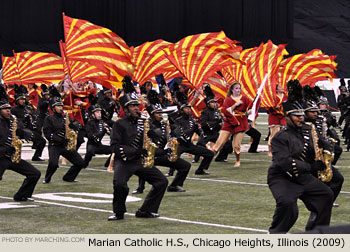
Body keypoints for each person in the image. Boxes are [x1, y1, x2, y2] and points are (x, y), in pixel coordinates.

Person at [268, 79, 334, 234]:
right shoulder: (280, 137)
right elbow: (286, 162)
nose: (301, 118)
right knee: (288, 205)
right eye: (296, 115)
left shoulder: (307, 131)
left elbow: (314, 148)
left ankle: (315, 233)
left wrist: (325, 147)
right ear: (288, 117)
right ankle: (275, 234)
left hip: (303, 177)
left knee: (326, 195)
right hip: (283, 177)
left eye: (301, 115)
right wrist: (311, 167)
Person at [108, 93, 168, 221]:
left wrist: (155, 133)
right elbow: (115, 146)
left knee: (161, 181)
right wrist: (136, 151)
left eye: (137, 105)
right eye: (132, 106)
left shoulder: (144, 122)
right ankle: (118, 213)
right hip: (125, 161)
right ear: (125, 109)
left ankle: (146, 210)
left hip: (140, 161)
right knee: (119, 184)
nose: (136, 108)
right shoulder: (119, 124)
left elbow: (154, 139)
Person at [133, 90, 191, 194]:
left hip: (163, 154)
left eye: (161, 113)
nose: (160, 115)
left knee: (185, 166)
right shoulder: (147, 125)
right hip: (151, 155)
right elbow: (144, 141)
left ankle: (174, 186)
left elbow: (172, 134)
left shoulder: (165, 124)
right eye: (158, 113)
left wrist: (174, 135)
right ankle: (140, 188)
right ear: (152, 115)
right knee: (144, 166)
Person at [302, 85, 344, 207]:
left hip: (322, 157)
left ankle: (327, 202)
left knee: (337, 179)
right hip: (311, 160)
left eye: (316, 110)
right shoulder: (304, 125)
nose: (316, 113)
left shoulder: (319, 120)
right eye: (313, 111)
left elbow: (324, 134)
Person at [0, 85, 41, 202]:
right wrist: (4, 150)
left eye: (9, 108)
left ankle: (21, 195)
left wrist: (24, 132)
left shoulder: (12, 120)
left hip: (12, 157)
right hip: (1, 157)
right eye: (4, 109)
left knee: (35, 174)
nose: (8, 110)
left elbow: (19, 130)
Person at [42, 87, 85, 184]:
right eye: (58, 106)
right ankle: (47, 178)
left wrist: (76, 125)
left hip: (66, 145)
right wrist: (58, 139)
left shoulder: (66, 117)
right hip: (55, 145)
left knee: (80, 162)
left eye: (61, 105)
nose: (61, 107)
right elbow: (47, 133)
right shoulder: (49, 118)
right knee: (53, 164)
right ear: (53, 108)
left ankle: (69, 177)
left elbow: (74, 124)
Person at [212, 82, 251, 167]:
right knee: (220, 142)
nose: (238, 90)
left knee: (236, 144)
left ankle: (237, 160)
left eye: (239, 88)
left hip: (241, 122)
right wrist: (235, 105)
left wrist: (249, 112)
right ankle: (209, 158)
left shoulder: (244, 98)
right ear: (232, 90)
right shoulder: (228, 99)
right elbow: (226, 111)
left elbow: (250, 108)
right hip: (229, 122)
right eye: (236, 88)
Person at [83, 101, 112, 169]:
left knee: (115, 149)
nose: (99, 114)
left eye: (100, 112)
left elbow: (111, 133)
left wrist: (110, 131)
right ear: (93, 114)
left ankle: (107, 164)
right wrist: (104, 131)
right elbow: (91, 136)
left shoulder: (102, 122)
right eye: (97, 112)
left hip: (99, 145)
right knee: (90, 151)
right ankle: (84, 164)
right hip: (91, 146)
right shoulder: (89, 123)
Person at [266, 84, 287, 156]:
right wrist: (274, 106)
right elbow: (268, 106)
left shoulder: (286, 96)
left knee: (284, 133)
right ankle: (270, 150)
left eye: (282, 87)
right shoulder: (272, 96)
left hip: (283, 116)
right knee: (274, 134)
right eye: (280, 87)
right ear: (276, 89)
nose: (282, 88)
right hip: (274, 117)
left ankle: (281, 149)